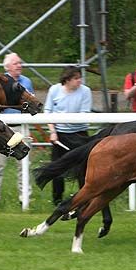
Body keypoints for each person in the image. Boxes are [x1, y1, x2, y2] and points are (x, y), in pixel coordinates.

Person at [0, 53, 35, 209]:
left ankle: (25, 199)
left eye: (20, 63)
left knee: (24, 165)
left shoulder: (27, 82)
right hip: (3, 130)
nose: (19, 65)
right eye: (15, 63)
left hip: (21, 128)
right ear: (7, 67)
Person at [44, 66, 92, 205]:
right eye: (76, 78)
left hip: (79, 135)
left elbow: (84, 115)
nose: (79, 81)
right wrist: (53, 132)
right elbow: (47, 111)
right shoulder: (54, 90)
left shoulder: (85, 91)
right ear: (67, 79)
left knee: (82, 169)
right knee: (57, 168)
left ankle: (84, 199)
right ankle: (57, 201)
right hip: (59, 135)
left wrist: (62, 119)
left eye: (80, 78)